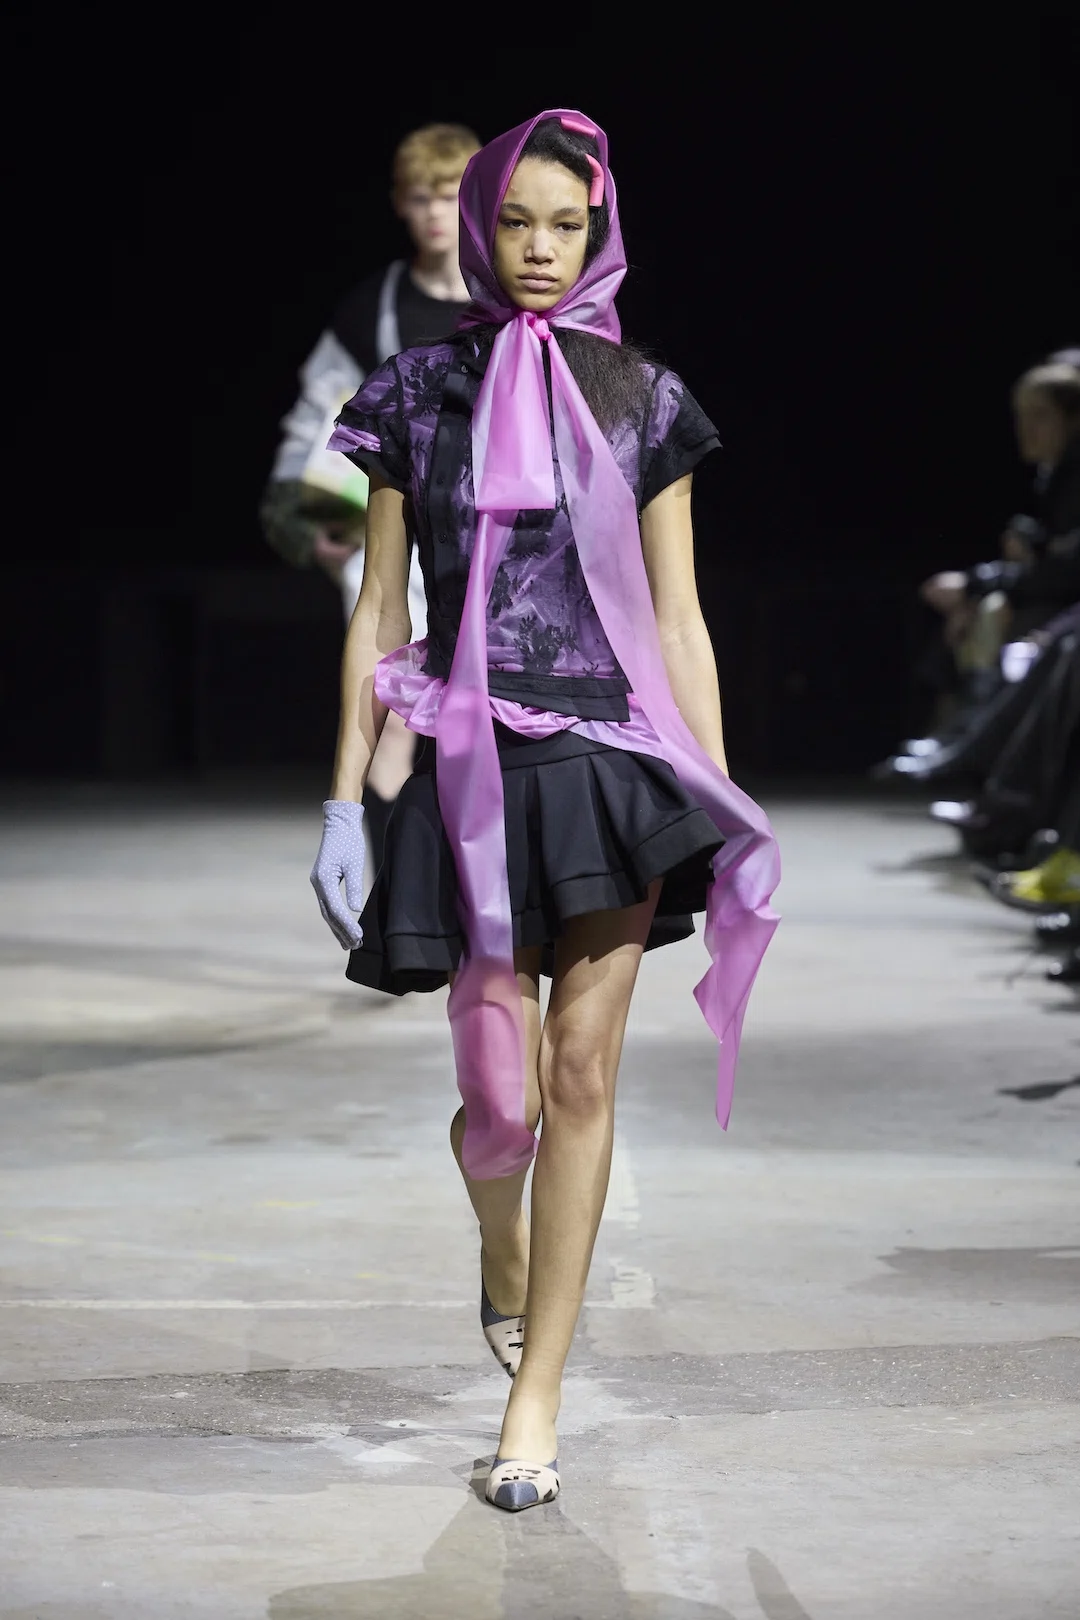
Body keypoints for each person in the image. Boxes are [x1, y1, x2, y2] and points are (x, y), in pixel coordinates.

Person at [309, 110, 780, 1512]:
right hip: (465, 761)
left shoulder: (641, 399)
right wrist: (343, 801)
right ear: (479, 229)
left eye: (565, 225)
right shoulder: (416, 394)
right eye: (514, 221)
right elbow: (379, 607)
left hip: (609, 763)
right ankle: (500, 1255)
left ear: (598, 235)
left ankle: (537, 1398)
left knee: (579, 1077)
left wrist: (718, 790)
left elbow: (679, 618)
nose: (538, 249)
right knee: (497, 1100)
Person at [261, 122, 481, 860]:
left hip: (488, 530)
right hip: (389, 527)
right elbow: (314, 418)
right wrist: (300, 520)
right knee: (392, 700)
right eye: (421, 198)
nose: (435, 213)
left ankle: (448, 868)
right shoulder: (372, 308)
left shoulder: (510, 297)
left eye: (450, 195)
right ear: (399, 203)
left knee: (469, 702)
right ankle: (395, 871)